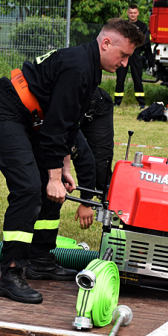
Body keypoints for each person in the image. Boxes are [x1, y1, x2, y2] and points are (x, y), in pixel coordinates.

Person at [0, 18, 143, 304]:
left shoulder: (90, 67)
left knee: (52, 192)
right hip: (4, 112)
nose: (125, 63)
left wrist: (63, 169)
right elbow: (54, 127)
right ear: (106, 43)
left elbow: (68, 124)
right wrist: (52, 177)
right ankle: (11, 276)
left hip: (31, 118)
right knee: (29, 189)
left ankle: (40, 260)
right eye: (124, 55)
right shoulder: (79, 67)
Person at [70, 86, 115, 229]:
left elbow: (83, 157)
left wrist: (86, 201)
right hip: (72, 106)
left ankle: (114, 221)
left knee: (102, 170)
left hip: (97, 106)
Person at [114, 4, 150, 109]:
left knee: (137, 79)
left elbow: (145, 41)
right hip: (123, 55)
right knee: (120, 79)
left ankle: (141, 103)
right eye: (131, 13)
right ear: (127, 13)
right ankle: (117, 103)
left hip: (136, 55)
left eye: (134, 13)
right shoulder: (122, 25)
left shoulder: (142, 26)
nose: (133, 15)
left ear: (138, 13)